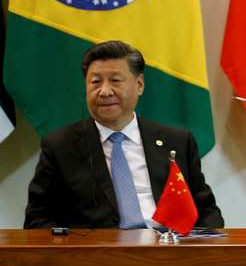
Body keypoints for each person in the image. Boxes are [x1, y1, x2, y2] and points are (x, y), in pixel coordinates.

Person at [24, 40, 223, 229]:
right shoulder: (60, 147)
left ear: (139, 85)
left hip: (168, 252)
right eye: (95, 82)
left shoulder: (178, 142)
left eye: (115, 80)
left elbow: (207, 212)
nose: (104, 91)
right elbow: (37, 219)